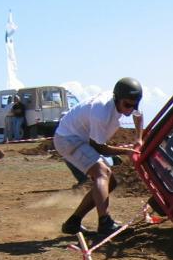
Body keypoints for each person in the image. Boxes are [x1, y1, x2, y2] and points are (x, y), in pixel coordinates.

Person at [54, 77, 143, 236]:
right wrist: (127, 151)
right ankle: (105, 223)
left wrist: (139, 138)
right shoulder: (100, 111)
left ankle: (73, 223)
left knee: (110, 183)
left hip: (82, 138)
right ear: (117, 98)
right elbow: (99, 147)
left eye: (134, 104)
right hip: (67, 139)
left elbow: (138, 114)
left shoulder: (125, 102)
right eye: (127, 105)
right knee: (102, 172)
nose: (130, 110)